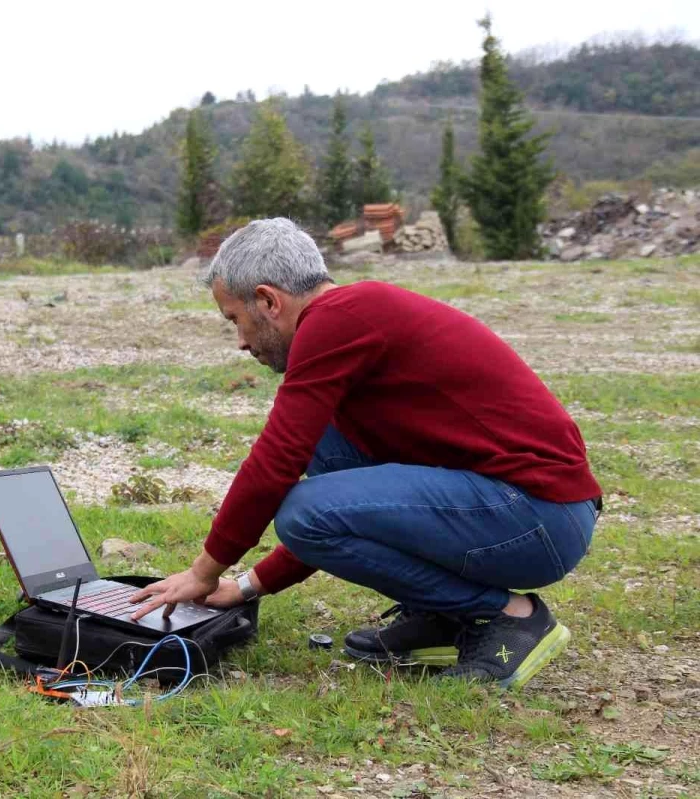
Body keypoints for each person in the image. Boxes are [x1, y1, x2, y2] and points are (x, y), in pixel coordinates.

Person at [129, 218, 601, 690]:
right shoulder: (353, 318)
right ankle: (443, 616)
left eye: (236, 319)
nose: (240, 342)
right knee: (326, 445)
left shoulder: (339, 319)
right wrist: (248, 586)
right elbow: (345, 501)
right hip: (522, 511)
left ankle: (512, 618)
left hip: (540, 517)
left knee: (302, 511)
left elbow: (276, 463)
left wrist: (204, 572)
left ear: (269, 301)